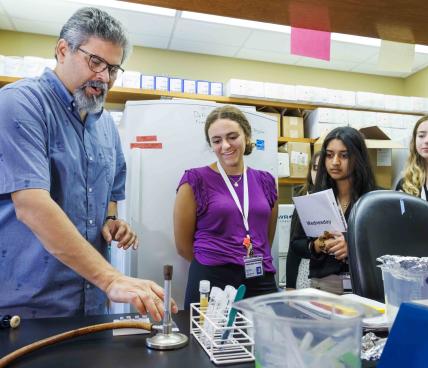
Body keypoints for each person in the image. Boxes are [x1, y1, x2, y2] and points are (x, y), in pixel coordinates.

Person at [0, 8, 176, 320]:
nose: (104, 77)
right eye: (95, 62)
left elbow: (111, 191)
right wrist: (112, 279)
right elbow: (32, 205)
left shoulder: (105, 123)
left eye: (113, 69)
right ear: (63, 50)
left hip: (92, 305)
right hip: (29, 308)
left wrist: (112, 220)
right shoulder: (21, 103)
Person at [174, 105, 279, 306]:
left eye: (232, 137)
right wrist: (216, 256)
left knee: (265, 335)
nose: (225, 145)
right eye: (217, 140)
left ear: (246, 136)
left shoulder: (266, 181)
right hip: (212, 277)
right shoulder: (194, 180)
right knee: (207, 336)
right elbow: (182, 245)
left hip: (260, 276)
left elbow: (266, 236)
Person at [289, 127, 377, 294]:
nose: (335, 162)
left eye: (344, 155)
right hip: (323, 285)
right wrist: (318, 244)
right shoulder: (314, 199)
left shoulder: (374, 199)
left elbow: (385, 245)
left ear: (358, 158)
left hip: (364, 284)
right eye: (329, 155)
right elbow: (296, 245)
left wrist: (352, 247)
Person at [286, 151, 320, 289]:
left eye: (322, 168)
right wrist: (290, 287)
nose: (317, 174)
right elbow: (293, 246)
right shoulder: (305, 201)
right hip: (307, 274)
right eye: (315, 168)